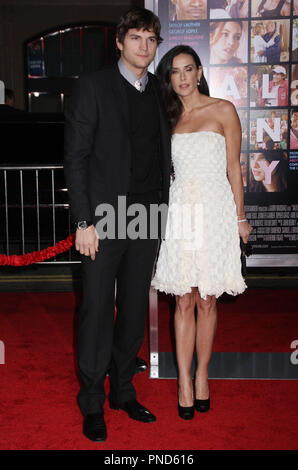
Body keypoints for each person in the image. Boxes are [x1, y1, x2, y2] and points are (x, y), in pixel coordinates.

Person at [64, 7, 171, 442]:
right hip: (104, 218)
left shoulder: (159, 93)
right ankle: (91, 400)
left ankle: (122, 390)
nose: (144, 46)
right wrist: (83, 220)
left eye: (151, 39)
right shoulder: (92, 87)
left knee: (132, 312)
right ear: (120, 42)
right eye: (136, 38)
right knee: (95, 312)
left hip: (148, 215)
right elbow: (76, 158)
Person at [151, 45, 252, 420]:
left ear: (198, 72)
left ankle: (203, 374)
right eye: (174, 71)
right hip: (183, 213)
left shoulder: (223, 109)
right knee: (184, 299)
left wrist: (240, 217)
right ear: (169, 78)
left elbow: (234, 169)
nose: (182, 77)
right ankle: (183, 383)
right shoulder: (167, 116)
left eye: (188, 69)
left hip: (215, 211)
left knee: (208, 298)